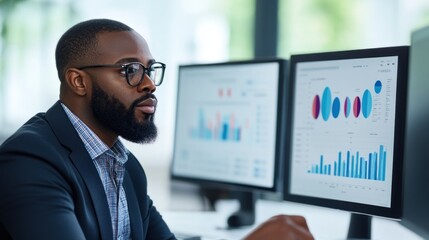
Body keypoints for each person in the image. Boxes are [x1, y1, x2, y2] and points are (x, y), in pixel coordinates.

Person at [0, 18, 314, 240]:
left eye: (150, 70)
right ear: (79, 81)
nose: (149, 83)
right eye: (131, 70)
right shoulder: (30, 160)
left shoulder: (126, 168)